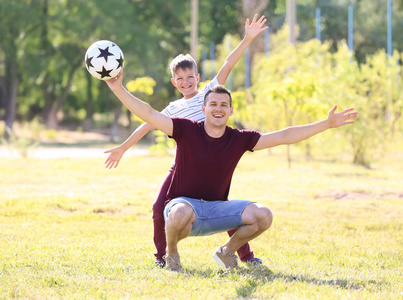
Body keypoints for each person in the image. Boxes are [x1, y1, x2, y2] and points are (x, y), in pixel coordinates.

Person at [105, 73, 358, 271]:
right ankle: (172, 255)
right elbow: (148, 112)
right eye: (213, 104)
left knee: (263, 215)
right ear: (203, 109)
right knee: (179, 211)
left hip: (217, 210)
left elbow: (284, 135)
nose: (218, 108)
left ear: (230, 111)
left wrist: (326, 124)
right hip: (184, 207)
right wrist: (117, 88)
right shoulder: (185, 129)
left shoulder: (239, 139)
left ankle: (226, 253)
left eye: (224, 105)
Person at [104, 14, 269, 268]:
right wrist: (123, 148)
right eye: (180, 79)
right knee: (159, 207)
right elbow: (146, 123)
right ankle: (162, 257)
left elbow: (227, 63)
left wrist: (247, 39)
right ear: (174, 82)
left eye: (190, 76)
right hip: (183, 167)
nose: (186, 82)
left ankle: (244, 255)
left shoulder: (209, 93)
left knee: (224, 208)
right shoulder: (172, 109)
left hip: (214, 162)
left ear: (198, 77)